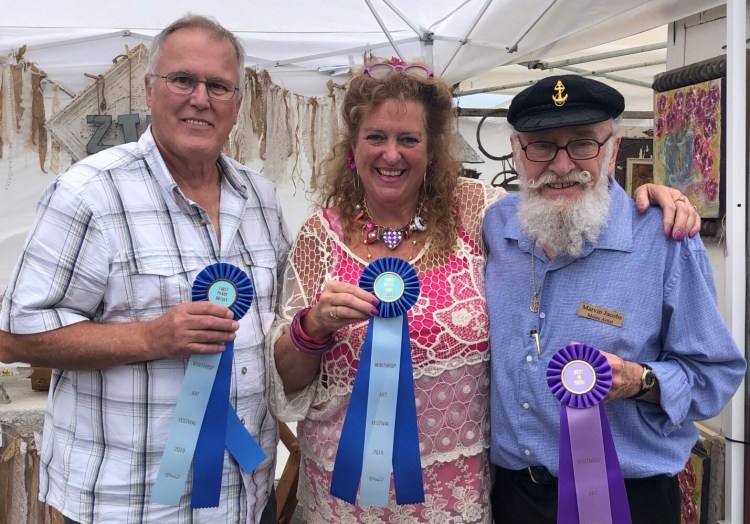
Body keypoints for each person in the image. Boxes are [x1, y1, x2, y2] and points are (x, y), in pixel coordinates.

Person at [266, 60, 700, 523]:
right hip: (348, 488)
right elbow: (286, 383)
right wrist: (312, 327)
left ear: (431, 149)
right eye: (376, 137)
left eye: (409, 139)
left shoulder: (478, 213)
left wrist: (651, 196)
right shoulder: (319, 236)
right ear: (353, 146)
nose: (391, 154)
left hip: (459, 492)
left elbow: (561, 195)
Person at [0, 14, 290, 524]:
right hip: (129, 503)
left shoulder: (261, 197)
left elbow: (278, 326)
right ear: (150, 89)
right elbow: (11, 336)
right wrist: (150, 338)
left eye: (218, 86)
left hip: (245, 494)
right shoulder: (89, 193)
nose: (200, 98)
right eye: (183, 80)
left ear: (237, 106)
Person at [483, 74, 746, 524]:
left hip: (622, 500)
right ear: (516, 151)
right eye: (542, 146)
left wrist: (639, 381)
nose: (562, 165)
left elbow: (714, 377)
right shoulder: (495, 226)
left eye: (583, 143)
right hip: (511, 499)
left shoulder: (666, 241)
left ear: (612, 149)